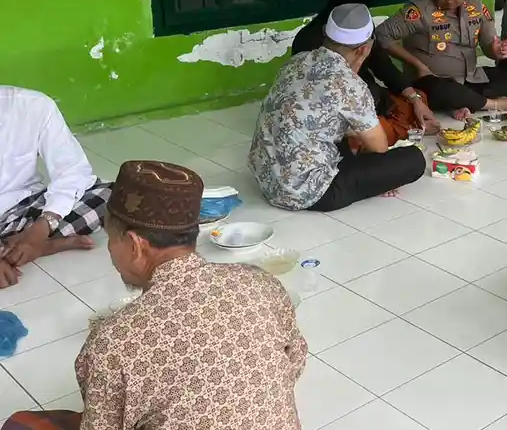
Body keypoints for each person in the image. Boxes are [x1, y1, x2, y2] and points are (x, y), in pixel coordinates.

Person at [1, 160, 307, 430]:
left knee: (21, 425)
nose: (109, 251)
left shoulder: (114, 342)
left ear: (135, 245)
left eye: (111, 239)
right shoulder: (260, 283)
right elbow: (295, 360)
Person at [250, 4, 426, 213]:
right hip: (312, 194)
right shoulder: (350, 85)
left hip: (266, 179)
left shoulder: (296, 62)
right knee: (414, 159)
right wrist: (382, 176)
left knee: (344, 134)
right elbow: (378, 147)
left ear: (325, 33)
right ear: (364, 49)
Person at [376, 0, 507, 118]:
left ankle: (463, 101)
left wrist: (496, 51)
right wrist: (417, 64)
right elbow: (381, 34)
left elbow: (488, 43)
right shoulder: (420, 10)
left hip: (469, 77)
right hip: (432, 80)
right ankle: (496, 104)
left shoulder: (475, 5)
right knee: (441, 90)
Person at [292, 0, 440, 142]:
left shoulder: (361, 32)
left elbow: (383, 65)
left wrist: (414, 99)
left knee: (414, 100)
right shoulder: (308, 41)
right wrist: (409, 131)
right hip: (343, 109)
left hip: (368, 97)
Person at [0, 86, 112, 289]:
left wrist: (43, 226)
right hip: (12, 225)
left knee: (108, 196)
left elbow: (73, 171)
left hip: (22, 207)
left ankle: (27, 245)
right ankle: (41, 248)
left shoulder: (33, 105)